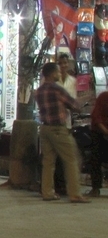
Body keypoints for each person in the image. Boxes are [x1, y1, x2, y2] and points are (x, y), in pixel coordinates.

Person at [34, 61, 89, 203]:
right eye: (58, 72)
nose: (60, 73)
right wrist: (83, 103)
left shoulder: (39, 91)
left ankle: (47, 192)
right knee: (72, 159)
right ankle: (75, 193)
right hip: (58, 128)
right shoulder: (56, 89)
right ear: (52, 74)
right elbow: (73, 105)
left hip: (45, 128)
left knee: (48, 162)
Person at [86, 89, 108, 197]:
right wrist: (105, 131)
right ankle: (95, 187)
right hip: (99, 132)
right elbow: (96, 117)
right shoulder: (104, 97)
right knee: (95, 159)